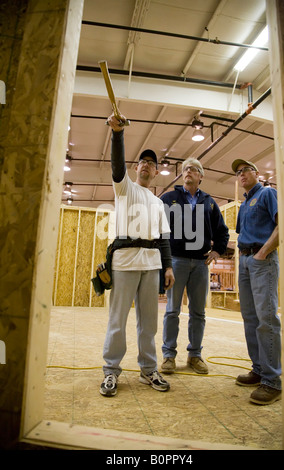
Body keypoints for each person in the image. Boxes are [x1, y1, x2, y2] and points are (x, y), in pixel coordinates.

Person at [100, 114, 175, 397]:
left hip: (152, 264)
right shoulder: (124, 189)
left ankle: (148, 370)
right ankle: (111, 371)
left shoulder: (158, 203)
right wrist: (117, 135)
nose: (147, 165)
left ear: (156, 173)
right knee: (117, 320)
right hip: (124, 262)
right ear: (136, 168)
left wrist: (167, 267)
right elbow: (117, 166)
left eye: (152, 164)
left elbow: (163, 238)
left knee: (149, 323)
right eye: (143, 162)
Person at [160, 158, 229, 375]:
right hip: (176, 262)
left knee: (198, 312)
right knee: (172, 310)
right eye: (185, 169)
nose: (188, 172)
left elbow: (222, 231)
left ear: (201, 176)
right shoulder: (168, 198)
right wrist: (166, 263)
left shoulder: (209, 203)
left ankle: (195, 355)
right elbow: (158, 231)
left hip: (200, 264)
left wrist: (217, 250)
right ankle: (169, 355)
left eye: (193, 169)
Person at [232, 159, 281, 405]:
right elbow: (242, 234)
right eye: (238, 173)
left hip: (262, 261)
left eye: (245, 170)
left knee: (267, 318)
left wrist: (263, 253)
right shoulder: (244, 204)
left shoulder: (267, 193)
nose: (241, 174)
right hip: (245, 261)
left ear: (257, 173)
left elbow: (282, 224)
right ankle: (259, 369)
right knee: (250, 318)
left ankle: (273, 381)